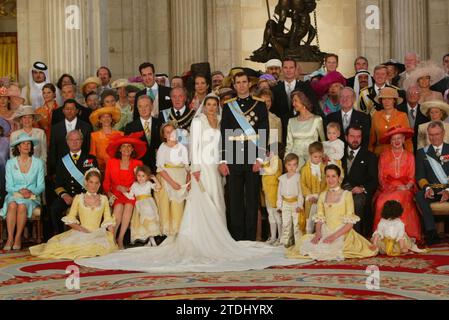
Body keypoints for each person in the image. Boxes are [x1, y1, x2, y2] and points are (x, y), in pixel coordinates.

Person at [75, 94, 304, 274]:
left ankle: (222, 233)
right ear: (204, 106)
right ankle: (205, 237)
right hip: (202, 167)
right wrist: (193, 167)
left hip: (218, 165)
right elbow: (194, 146)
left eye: (215, 105)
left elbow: (226, 142)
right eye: (210, 105)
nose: (212, 108)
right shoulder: (198, 121)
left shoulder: (223, 120)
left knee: (219, 201)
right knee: (206, 200)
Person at [286, 165, 378, 261]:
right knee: (305, 244)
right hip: (325, 231)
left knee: (334, 249)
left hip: (342, 233)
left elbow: (350, 224)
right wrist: (318, 234)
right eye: (328, 176)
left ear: (339, 177)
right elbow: (320, 219)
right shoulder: (322, 195)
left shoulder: (347, 194)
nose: (330, 180)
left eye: (333, 176)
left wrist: (334, 236)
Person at [219, 72, 269, 241]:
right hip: (234, 155)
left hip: (253, 154)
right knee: (235, 199)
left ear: (249, 84)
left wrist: (260, 158)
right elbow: (224, 133)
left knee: (252, 199)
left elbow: (264, 131)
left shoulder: (259, 105)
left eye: (244, 82)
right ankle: (237, 238)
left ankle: (250, 238)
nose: (241, 85)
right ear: (234, 86)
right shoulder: (228, 105)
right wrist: (223, 160)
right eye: (237, 82)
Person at [29, 169, 118, 259]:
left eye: (96, 183)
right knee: (68, 249)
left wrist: (112, 240)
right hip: (81, 232)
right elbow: (70, 219)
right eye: (91, 182)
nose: (93, 186)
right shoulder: (79, 198)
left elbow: (108, 221)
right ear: (86, 183)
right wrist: (81, 229)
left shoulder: (104, 199)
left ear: (99, 184)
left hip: (98, 234)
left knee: (101, 250)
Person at [372, 127, 422, 242]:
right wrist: (390, 188)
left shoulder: (410, 156)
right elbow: (381, 177)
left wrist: (406, 187)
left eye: (399, 138)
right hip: (387, 188)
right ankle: (381, 235)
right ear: (390, 141)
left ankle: (405, 236)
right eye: (394, 139)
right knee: (381, 201)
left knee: (401, 197)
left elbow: (411, 177)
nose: (397, 141)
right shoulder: (384, 156)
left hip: (405, 187)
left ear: (404, 139)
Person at [1, 134, 45, 251]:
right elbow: (8, 186)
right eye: (23, 143)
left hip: (31, 196)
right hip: (14, 194)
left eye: (28, 143)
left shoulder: (38, 163)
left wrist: (30, 191)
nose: (26, 145)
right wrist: (19, 191)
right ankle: (10, 238)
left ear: (31, 147)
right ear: (18, 147)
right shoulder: (10, 163)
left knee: (21, 206)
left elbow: (41, 186)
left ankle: (17, 237)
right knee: (12, 204)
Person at [50, 130, 98, 236]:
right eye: (71, 140)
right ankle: (59, 236)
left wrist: (86, 196)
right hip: (68, 196)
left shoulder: (90, 159)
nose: (74, 142)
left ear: (81, 141)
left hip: (86, 196)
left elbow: (96, 182)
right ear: (67, 142)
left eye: (77, 139)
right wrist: (65, 195)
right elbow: (58, 184)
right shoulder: (62, 161)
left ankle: (90, 234)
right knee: (55, 208)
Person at [104, 133, 146, 249]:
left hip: (131, 194)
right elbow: (106, 182)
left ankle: (120, 239)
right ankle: (112, 238)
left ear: (132, 149)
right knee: (118, 208)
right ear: (120, 149)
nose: (126, 149)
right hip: (115, 193)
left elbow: (140, 181)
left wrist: (129, 189)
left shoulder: (138, 163)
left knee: (128, 206)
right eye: (124, 146)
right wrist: (110, 192)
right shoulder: (111, 162)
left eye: (129, 146)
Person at [271, 58, 321, 143]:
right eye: (285, 67)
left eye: (291, 67)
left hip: (301, 133)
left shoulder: (306, 87)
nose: (288, 70)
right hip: (280, 133)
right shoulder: (275, 89)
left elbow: (314, 108)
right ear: (282, 69)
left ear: (295, 69)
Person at [342, 125, 379, 237]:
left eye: (358, 136)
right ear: (346, 137)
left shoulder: (370, 156)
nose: (355, 139)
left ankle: (356, 237)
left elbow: (374, 180)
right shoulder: (338, 154)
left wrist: (362, 188)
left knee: (357, 201)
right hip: (341, 189)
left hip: (359, 190)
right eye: (352, 136)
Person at [415, 121, 449, 245]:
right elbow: (420, 176)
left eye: (437, 134)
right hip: (433, 189)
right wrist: (427, 187)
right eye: (431, 135)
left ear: (443, 133)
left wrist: (447, 191)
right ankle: (431, 232)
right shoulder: (421, 153)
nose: (434, 138)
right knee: (419, 195)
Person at [155, 123, 190, 237]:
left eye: (172, 131)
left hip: (181, 177)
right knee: (168, 205)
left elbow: (187, 167)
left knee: (179, 205)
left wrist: (188, 182)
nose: (171, 134)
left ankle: (180, 232)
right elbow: (160, 168)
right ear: (164, 135)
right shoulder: (163, 147)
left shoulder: (182, 147)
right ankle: (170, 233)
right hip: (168, 178)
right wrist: (172, 183)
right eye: (167, 132)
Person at [48, 99, 92, 173]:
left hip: (81, 168)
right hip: (61, 168)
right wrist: (52, 171)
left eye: (72, 109)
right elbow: (53, 150)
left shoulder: (86, 127)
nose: (69, 111)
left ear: (77, 111)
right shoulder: (55, 128)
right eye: (67, 109)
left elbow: (88, 149)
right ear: (63, 111)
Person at [285, 90, 325, 169]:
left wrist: (323, 157)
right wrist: (286, 161)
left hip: (312, 160)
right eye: (292, 101)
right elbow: (289, 144)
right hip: (295, 162)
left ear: (303, 101)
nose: (293, 104)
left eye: (295, 101)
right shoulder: (291, 121)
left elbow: (323, 142)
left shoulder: (317, 119)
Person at [369, 87, 413, 156]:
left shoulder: (402, 116)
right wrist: (370, 157)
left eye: (389, 99)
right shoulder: (376, 115)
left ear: (394, 100)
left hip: (398, 155)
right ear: (381, 101)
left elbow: (407, 140)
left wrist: (410, 157)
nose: (386, 102)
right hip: (379, 155)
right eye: (384, 99)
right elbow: (372, 139)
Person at [125, 166, 162, 246]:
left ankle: (151, 240)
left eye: (143, 176)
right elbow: (130, 196)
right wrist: (123, 191)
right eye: (138, 175)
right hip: (139, 206)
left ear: (147, 177)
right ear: (136, 176)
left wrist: (154, 179)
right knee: (143, 223)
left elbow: (158, 187)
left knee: (149, 221)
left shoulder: (148, 184)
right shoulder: (134, 185)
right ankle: (150, 240)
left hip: (148, 205)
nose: (140, 178)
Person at [125, 95, 161, 173]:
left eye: (146, 106)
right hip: (138, 168)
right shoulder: (130, 127)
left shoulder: (160, 124)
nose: (143, 109)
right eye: (140, 106)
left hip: (158, 167)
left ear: (151, 107)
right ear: (137, 108)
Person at [300, 142, 327, 235]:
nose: (318, 159)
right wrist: (309, 195)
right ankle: (308, 237)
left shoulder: (325, 168)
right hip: (310, 199)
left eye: (320, 157)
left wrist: (320, 196)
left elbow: (327, 184)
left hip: (321, 198)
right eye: (315, 157)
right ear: (310, 155)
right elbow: (303, 184)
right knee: (309, 221)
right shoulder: (304, 169)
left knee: (321, 219)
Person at [277, 153, 303, 247]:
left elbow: (300, 193)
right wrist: (279, 206)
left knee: (297, 225)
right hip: (285, 203)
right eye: (289, 165)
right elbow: (279, 194)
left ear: (297, 165)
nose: (292, 167)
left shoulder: (298, 177)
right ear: (285, 165)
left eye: (294, 164)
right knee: (286, 223)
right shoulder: (282, 178)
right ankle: (286, 242)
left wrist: (300, 205)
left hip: (295, 203)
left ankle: (298, 243)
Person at [89, 107, 123, 173]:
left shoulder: (121, 134)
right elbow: (92, 154)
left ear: (111, 119)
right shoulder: (93, 135)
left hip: (117, 168)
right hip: (100, 168)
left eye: (108, 117)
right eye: (103, 117)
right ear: (100, 120)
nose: (106, 119)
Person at [397, 85, 429, 152]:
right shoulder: (398, 109)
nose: (412, 95)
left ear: (419, 96)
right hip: (401, 147)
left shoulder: (424, 111)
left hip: (420, 148)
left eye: (415, 93)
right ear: (406, 96)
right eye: (410, 93)